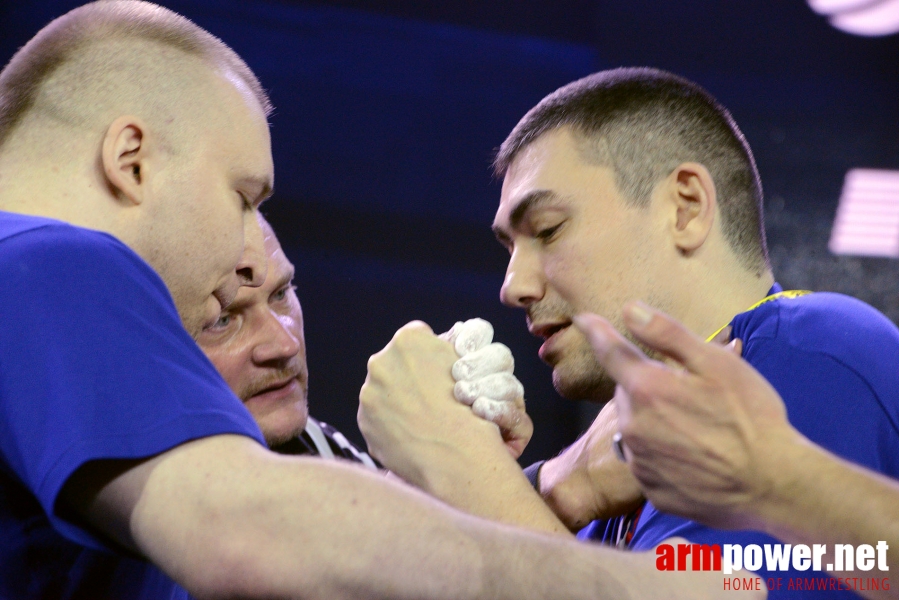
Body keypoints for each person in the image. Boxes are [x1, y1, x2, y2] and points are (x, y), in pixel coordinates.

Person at [0, 4, 752, 598]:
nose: (245, 244)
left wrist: (552, 485)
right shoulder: (47, 258)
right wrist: (651, 589)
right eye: (242, 195)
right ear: (130, 161)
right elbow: (252, 535)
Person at [357, 67, 899, 597]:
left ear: (685, 207)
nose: (513, 286)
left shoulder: (810, 350)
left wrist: (465, 471)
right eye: (509, 249)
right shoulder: (617, 487)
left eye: (548, 229)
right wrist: (545, 489)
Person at [574, 303, 899, 600]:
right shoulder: (622, 434)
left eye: (550, 235)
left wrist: (526, 498)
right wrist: (555, 487)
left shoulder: (800, 352)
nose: (521, 287)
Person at [197, 215, 377, 468]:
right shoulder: (134, 502)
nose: (286, 345)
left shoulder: (323, 448)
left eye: (280, 294)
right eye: (222, 321)